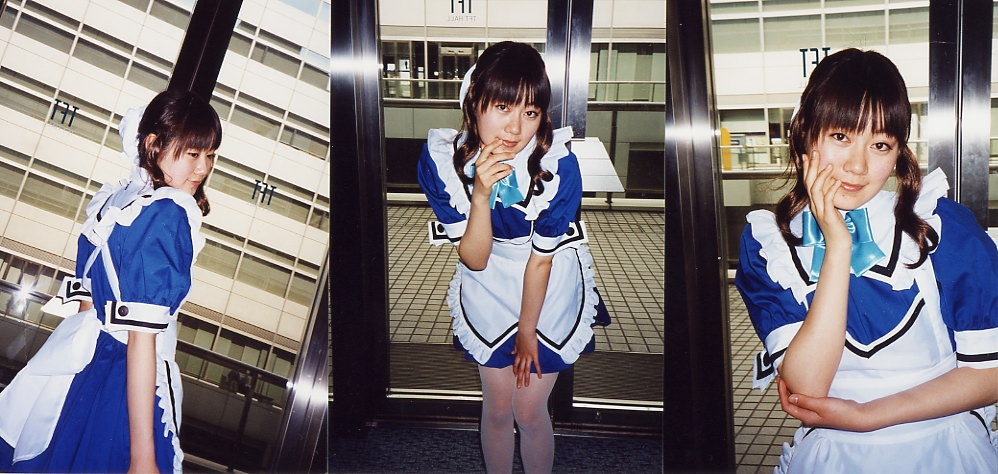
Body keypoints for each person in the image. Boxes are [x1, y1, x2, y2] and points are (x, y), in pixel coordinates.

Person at [735, 48, 997, 473]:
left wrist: (868, 416)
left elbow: (990, 373)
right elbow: (808, 386)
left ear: (898, 153)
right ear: (804, 134)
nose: (857, 166)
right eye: (841, 137)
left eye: (880, 144)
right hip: (833, 457)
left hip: (944, 449)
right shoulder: (769, 244)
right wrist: (838, 247)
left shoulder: (941, 226)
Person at [0, 89, 220, 473]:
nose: (203, 168)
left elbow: (86, 303)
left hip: (81, 369)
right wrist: (142, 457)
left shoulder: (115, 201)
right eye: (192, 153)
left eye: (211, 155)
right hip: (126, 382)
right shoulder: (168, 213)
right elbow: (141, 339)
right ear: (152, 144)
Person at [417, 41, 607, 473]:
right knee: (498, 407)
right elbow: (475, 259)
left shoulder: (558, 165)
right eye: (503, 106)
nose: (516, 127)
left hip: (547, 282)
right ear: (474, 101)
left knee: (529, 410)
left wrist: (527, 331)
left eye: (531, 112)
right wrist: (481, 195)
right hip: (487, 277)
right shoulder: (442, 162)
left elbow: (542, 260)